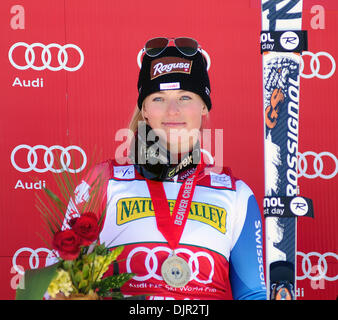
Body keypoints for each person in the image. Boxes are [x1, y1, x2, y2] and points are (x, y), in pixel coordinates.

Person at [63, 37, 267, 300]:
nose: (173, 111)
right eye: (158, 98)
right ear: (144, 110)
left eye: (185, 97)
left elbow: (253, 294)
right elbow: (59, 282)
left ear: (204, 106)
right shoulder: (104, 180)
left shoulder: (236, 194)